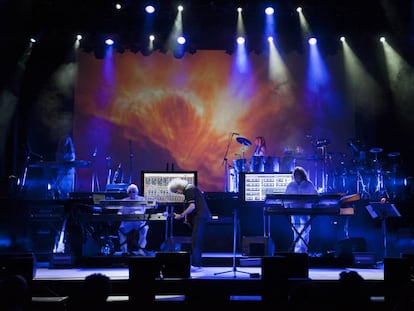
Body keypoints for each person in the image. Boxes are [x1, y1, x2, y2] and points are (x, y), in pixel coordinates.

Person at [167, 178, 212, 271]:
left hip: (200, 217)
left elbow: (192, 206)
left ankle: (196, 264)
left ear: (178, 188)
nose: (178, 194)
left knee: (196, 240)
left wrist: (182, 215)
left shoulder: (189, 189)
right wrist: (186, 217)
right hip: (200, 216)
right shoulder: (191, 189)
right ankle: (197, 264)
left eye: (176, 192)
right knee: (196, 240)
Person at [285, 166, 318, 253]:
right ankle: (297, 250)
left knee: (305, 230)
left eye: (298, 175)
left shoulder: (308, 184)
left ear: (302, 175)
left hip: (306, 210)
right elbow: (286, 197)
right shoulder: (291, 185)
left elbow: (315, 196)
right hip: (294, 211)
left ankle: (303, 250)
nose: (297, 176)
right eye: (295, 175)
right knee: (296, 229)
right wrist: (286, 207)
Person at [118, 183, 149, 256]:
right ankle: (124, 251)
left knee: (144, 229)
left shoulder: (142, 199)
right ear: (128, 193)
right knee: (121, 230)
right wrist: (118, 215)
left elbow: (150, 206)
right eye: (130, 192)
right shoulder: (124, 200)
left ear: (137, 192)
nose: (132, 193)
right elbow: (120, 211)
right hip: (128, 222)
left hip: (139, 222)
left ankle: (141, 249)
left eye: (133, 191)